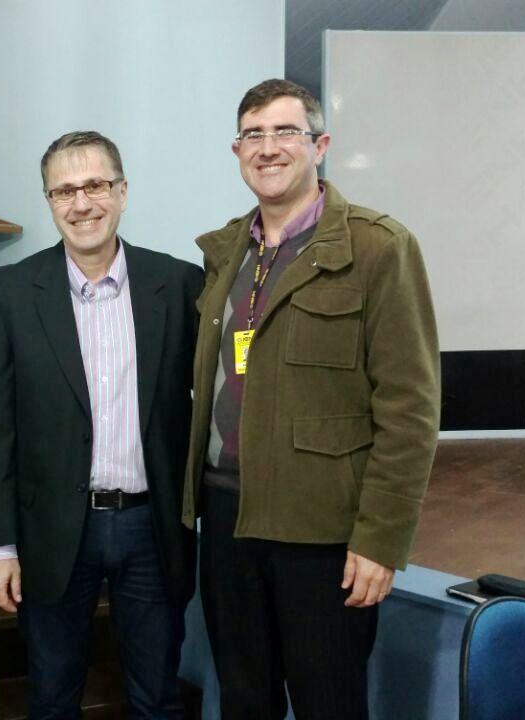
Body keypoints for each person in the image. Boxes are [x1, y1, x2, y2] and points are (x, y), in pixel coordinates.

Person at [182, 79, 441, 719]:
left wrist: (381, 540)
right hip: (226, 520)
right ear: (236, 150)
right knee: (244, 701)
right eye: (253, 134)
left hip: (320, 535)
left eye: (285, 132)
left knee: (330, 704)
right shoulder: (226, 253)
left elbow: (410, 412)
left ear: (320, 145)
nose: (268, 148)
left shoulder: (379, 248)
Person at [0, 130, 203, 719]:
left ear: (122, 193)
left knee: (158, 696)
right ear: (50, 202)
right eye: (64, 191)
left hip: (151, 527)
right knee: (52, 697)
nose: (82, 203)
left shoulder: (177, 285)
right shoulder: (9, 292)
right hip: (51, 532)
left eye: (95, 185)